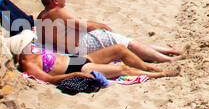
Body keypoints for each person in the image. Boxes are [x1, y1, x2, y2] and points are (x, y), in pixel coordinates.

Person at [36, 0, 181, 63]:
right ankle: (168, 58)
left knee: (125, 40)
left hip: (72, 48)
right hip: (84, 43)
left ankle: (169, 50)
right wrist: (101, 25)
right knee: (129, 44)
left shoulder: (41, 17)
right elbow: (82, 26)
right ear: (55, 1)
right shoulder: (57, 12)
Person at [9, 30, 178, 83]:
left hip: (80, 59)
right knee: (122, 69)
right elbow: (49, 79)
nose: (32, 44)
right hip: (79, 67)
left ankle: (151, 67)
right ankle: (159, 74)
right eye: (29, 43)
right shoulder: (28, 64)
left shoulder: (35, 52)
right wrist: (73, 75)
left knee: (119, 49)